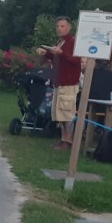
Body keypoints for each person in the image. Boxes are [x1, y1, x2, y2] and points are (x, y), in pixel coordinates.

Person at [38, 16, 83, 149]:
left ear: (69, 27)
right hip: (59, 82)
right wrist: (47, 53)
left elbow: (76, 61)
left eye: (62, 26)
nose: (59, 29)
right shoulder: (61, 42)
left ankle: (68, 141)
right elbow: (58, 58)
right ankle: (64, 138)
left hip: (69, 83)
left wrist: (61, 53)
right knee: (59, 114)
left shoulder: (72, 42)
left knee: (66, 113)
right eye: (57, 26)